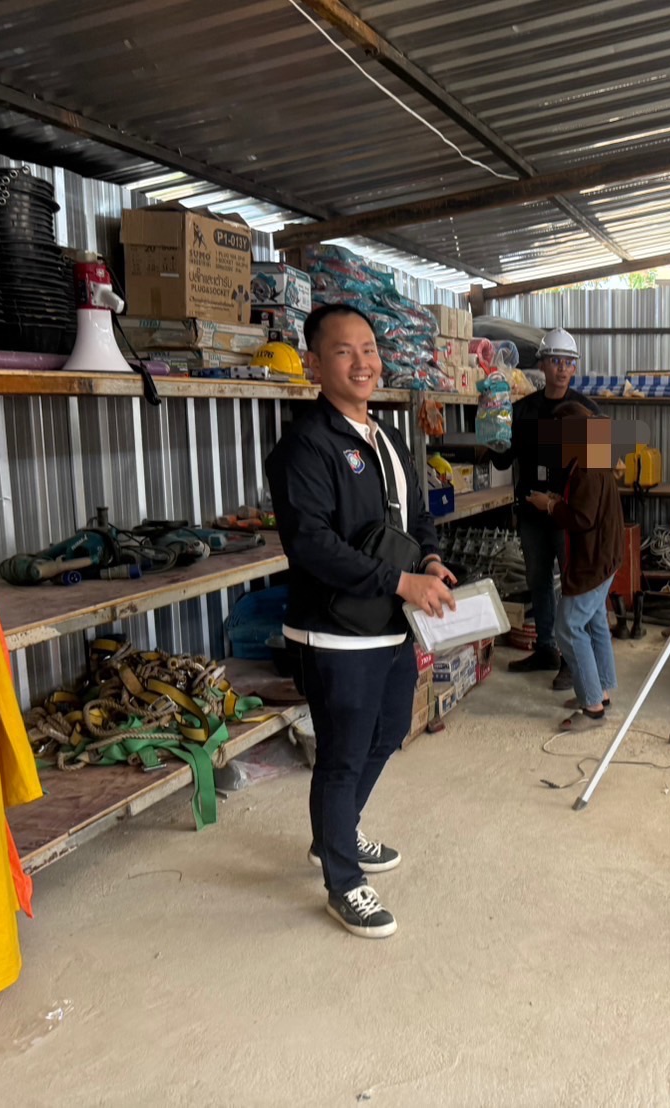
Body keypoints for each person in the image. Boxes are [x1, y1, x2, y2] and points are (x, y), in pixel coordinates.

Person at [266, 303, 457, 940]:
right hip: (334, 631)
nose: (361, 362)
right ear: (315, 365)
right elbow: (312, 545)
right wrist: (402, 582)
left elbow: (416, 517)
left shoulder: (387, 437)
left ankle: (337, 834)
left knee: (390, 730)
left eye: (369, 349)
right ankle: (343, 880)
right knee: (342, 756)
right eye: (343, 351)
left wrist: (429, 559)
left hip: (391, 623)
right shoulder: (304, 446)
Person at [490, 328, 600, 691]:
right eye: (556, 361)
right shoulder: (523, 410)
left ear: (575, 368)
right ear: (542, 365)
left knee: (571, 586)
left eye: (569, 362)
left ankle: (571, 660)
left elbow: (602, 465)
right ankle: (546, 649)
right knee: (538, 581)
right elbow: (502, 458)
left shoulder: (588, 411)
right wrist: (491, 430)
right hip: (532, 514)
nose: (563, 369)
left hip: (567, 517)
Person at [527, 404, 623, 732]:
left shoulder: (588, 466)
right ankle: (601, 691)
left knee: (568, 627)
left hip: (594, 561)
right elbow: (585, 506)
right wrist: (559, 500)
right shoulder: (592, 458)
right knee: (595, 622)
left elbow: (582, 518)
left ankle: (592, 707)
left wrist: (550, 506)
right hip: (605, 556)